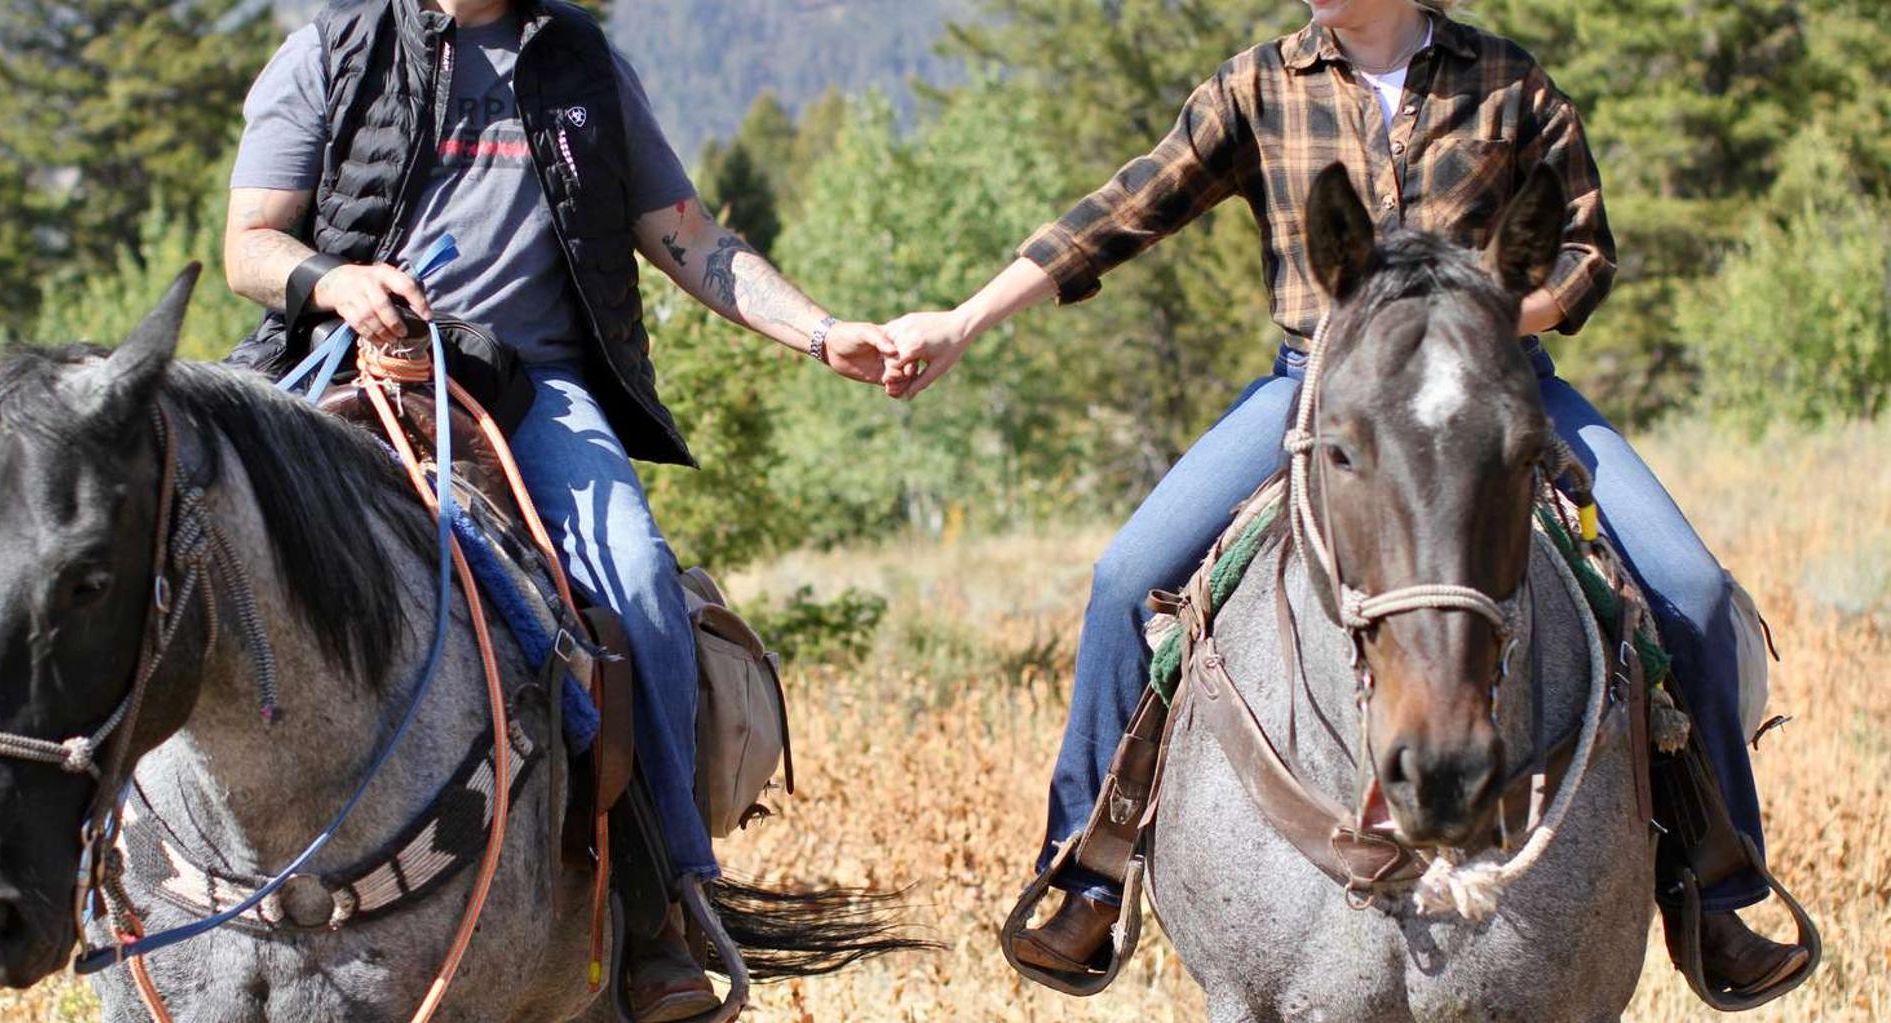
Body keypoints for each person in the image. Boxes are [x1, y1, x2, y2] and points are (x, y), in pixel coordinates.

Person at [882, 0, 1808, 998]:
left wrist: (1485, 316)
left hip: (1494, 380)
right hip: (1319, 386)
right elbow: (1118, 213)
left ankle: (1714, 892)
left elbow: (1584, 251)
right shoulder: (1256, 86)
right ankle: (1089, 869)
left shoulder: (1505, 80)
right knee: (1121, 580)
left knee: (1693, 594)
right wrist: (964, 319)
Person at [219, 2, 898, 1018]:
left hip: (527, 391)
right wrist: (333, 280)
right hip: (343, 369)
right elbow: (250, 245)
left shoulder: (579, 59)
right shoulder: (332, 49)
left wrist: (821, 333)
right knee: (196, 551)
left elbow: (687, 237)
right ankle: (118, 862)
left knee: (633, 580)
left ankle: (663, 900)